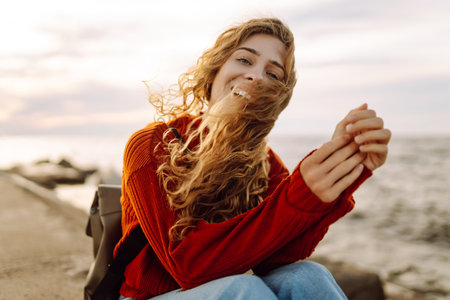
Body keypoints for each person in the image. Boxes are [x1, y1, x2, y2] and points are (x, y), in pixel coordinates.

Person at [116, 18, 391, 300]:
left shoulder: (267, 163)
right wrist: (299, 195)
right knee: (246, 289)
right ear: (215, 70)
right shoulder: (152, 144)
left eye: (273, 74)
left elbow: (275, 258)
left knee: (309, 276)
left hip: (223, 290)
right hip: (146, 296)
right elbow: (187, 267)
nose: (257, 76)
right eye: (245, 60)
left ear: (276, 99)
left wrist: (338, 178)